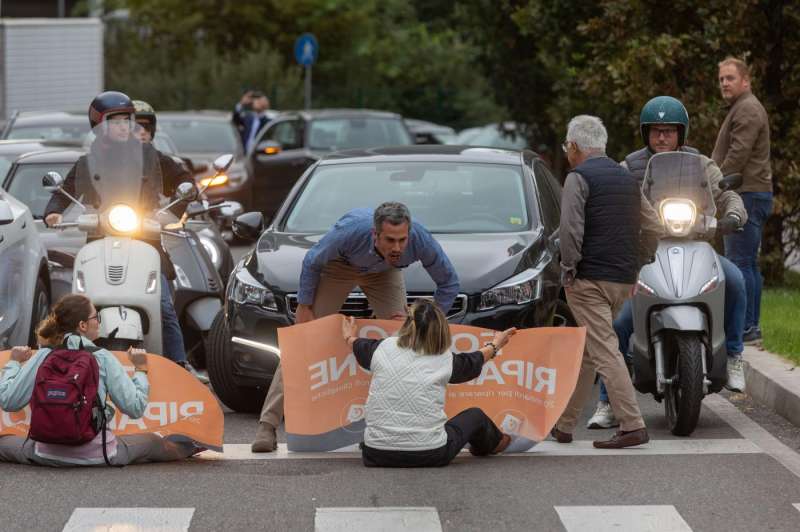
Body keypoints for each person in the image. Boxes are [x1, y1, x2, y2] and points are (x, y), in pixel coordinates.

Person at [587, 96, 749, 429]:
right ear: (646, 133)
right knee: (617, 324)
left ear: (681, 133)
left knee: (735, 281)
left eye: (669, 131)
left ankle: (733, 355)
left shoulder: (701, 163)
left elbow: (725, 193)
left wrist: (734, 212)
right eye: (656, 131)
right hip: (646, 253)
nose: (662, 138)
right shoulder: (629, 167)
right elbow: (609, 195)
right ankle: (607, 401)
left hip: (698, 248)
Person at [251, 202, 460, 452]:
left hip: (384, 273)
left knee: (409, 339)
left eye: (402, 240)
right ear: (375, 234)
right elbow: (313, 261)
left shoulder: (421, 241)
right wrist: (305, 305)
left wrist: (424, 323)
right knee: (302, 343)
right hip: (339, 267)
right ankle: (267, 425)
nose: (397, 247)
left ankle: (411, 421)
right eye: (390, 240)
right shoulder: (349, 233)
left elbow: (449, 282)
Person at [42, 91, 200, 381]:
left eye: (126, 120)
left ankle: (179, 366)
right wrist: (54, 211)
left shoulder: (150, 155)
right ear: (100, 126)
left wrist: (187, 195)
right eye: (115, 121)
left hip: (145, 238)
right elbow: (64, 190)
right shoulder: (88, 161)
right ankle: (66, 364)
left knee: (163, 304)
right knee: (79, 305)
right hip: (101, 239)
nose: (124, 126)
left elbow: (183, 178)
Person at [552, 115, 662, 449]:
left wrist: (568, 269)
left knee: (605, 351)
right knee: (592, 348)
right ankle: (565, 424)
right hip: (621, 281)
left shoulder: (578, 178)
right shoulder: (627, 178)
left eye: (566, 148)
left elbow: (570, 232)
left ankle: (632, 424)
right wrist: (640, 263)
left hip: (588, 280)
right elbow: (653, 224)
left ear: (574, 147)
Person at [0, 294, 198, 466]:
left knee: (4, 442)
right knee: (154, 443)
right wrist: (140, 369)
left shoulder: (43, 355)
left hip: (42, 453)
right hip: (97, 454)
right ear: (83, 325)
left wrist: (14, 363)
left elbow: (8, 401)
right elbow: (135, 407)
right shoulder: (102, 356)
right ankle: (193, 447)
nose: (99, 322)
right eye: (97, 317)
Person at [344, 300, 516, 467]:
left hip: (375, 453)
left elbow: (354, 343)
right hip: (431, 453)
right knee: (475, 416)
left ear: (408, 325)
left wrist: (349, 334)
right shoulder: (444, 359)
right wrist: (496, 344)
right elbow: (474, 360)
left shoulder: (380, 349)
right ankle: (497, 442)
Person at [712, 57, 773, 345]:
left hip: (745, 193)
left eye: (730, 78)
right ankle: (750, 326)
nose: (724, 82)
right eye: (722, 78)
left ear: (745, 81)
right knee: (748, 263)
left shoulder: (747, 109)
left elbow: (738, 155)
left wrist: (712, 184)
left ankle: (747, 327)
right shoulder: (741, 107)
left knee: (740, 263)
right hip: (749, 191)